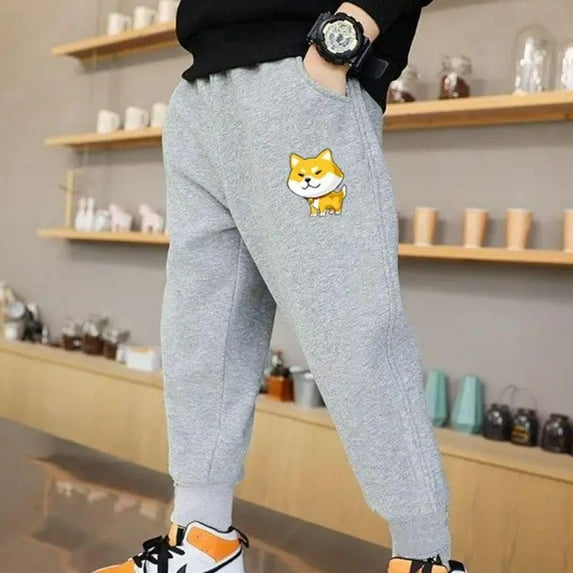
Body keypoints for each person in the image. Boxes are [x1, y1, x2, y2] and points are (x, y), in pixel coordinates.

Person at [95, 1, 470, 572]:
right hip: (201, 90)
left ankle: (425, 558)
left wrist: (342, 39)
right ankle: (202, 539)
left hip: (300, 74)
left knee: (350, 331)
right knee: (201, 331)